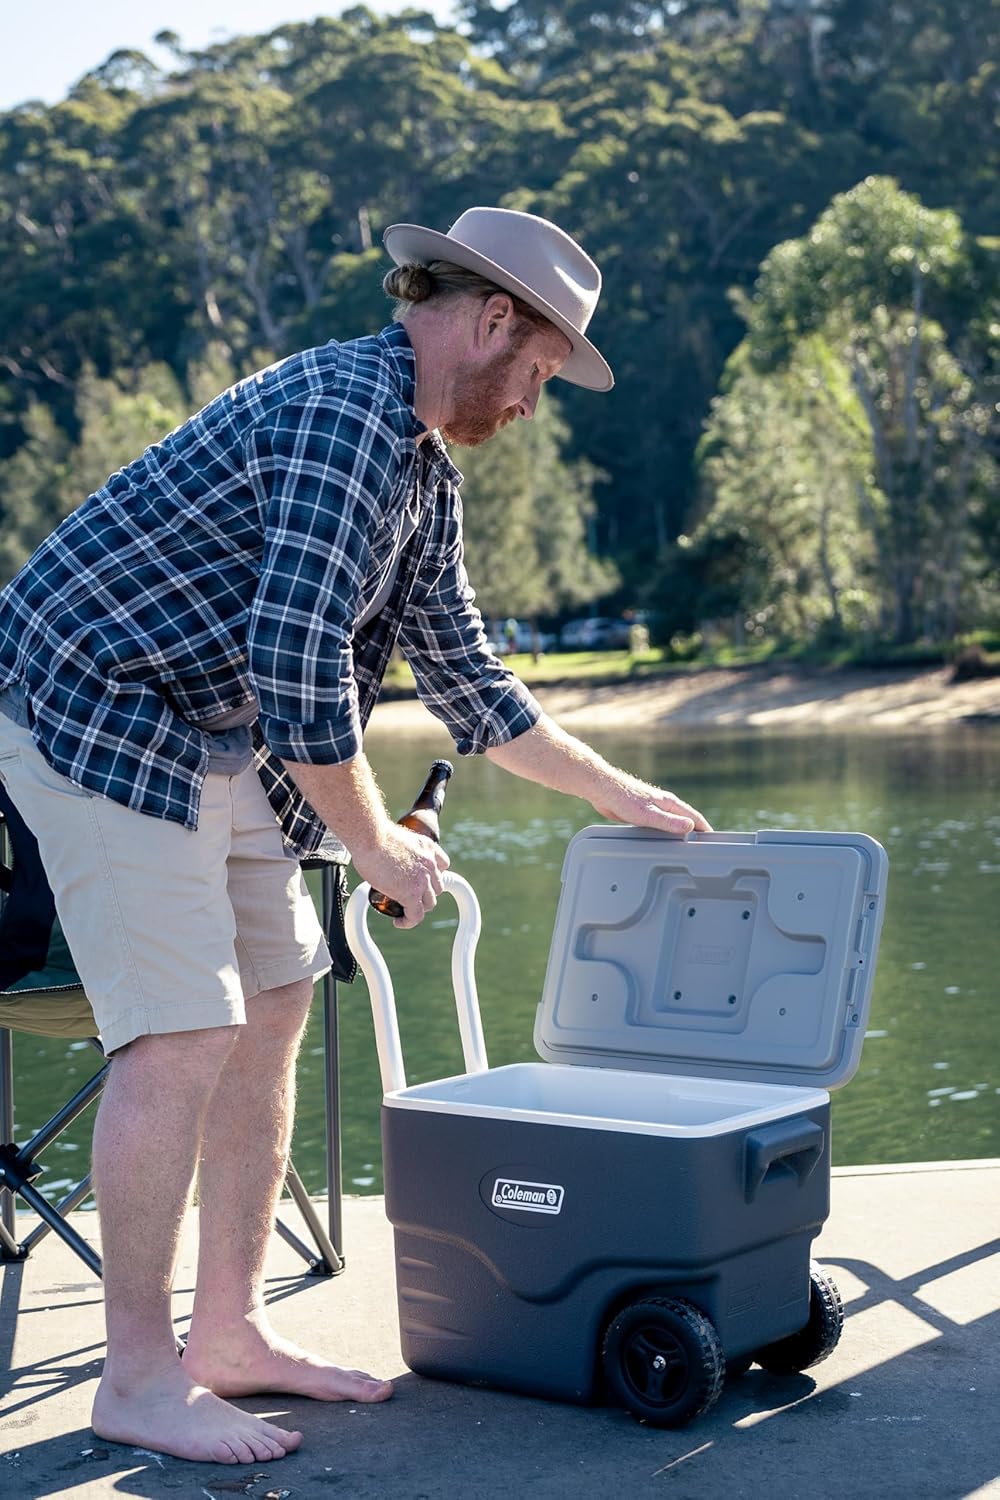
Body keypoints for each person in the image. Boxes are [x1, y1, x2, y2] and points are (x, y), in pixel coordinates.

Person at [0, 206, 711, 1465]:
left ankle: (228, 1337)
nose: (537, 403)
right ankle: (137, 1379)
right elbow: (294, 660)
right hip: (91, 702)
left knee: (276, 995)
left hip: (209, 726)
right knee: (184, 1028)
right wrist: (377, 843)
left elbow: (471, 682)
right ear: (491, 320)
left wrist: (616, 794)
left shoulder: (421, 470)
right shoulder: (344, 413)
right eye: (542, 371)